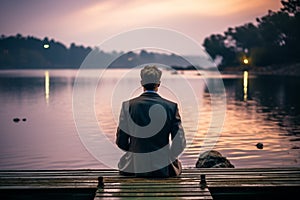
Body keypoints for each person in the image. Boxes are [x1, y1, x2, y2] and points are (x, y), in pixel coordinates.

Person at [115, 65, 186, 177]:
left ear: (142, 83)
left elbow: (121, 141)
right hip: (163, 170)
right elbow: (179, 142)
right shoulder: (171, 107)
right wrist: (167, 157)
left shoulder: (127, 106)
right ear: (159, 83)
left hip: (133, 168)